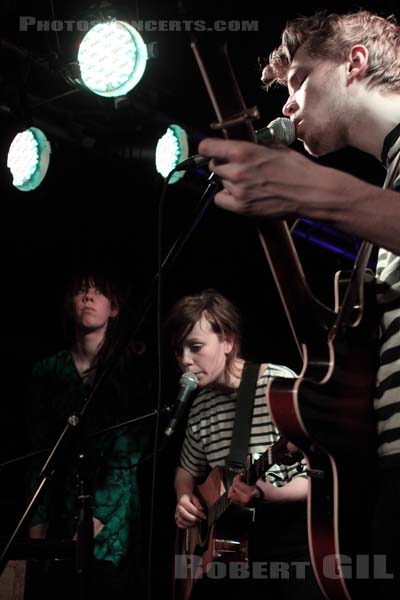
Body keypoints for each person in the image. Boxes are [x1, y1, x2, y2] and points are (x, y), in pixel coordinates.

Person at [196, 9, 400, 596]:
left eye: (299, 82)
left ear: (354, 61)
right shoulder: (387, 181)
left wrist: (318, 193)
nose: (288, 106)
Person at [165, 289, 324, 598]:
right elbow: (186, 469)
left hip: (286, 544)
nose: (185, 360)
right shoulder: (199, 405)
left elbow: (317, 476)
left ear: (228, 341)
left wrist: (266, 491)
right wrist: (184, 497)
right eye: (179, 350)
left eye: (195, 347)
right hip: (231, 552)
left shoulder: (277, 385)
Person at [25, 270, 151, 600]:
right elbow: (39, 451)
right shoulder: (48, 371)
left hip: (113, 515)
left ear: (115, 308)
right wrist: (36, 526)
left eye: (98, 291)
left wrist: (97, 520)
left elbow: (129, 450)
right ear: (70, 305)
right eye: (81, 291)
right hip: (60, 510)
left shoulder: (132, 366)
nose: (88, 297)